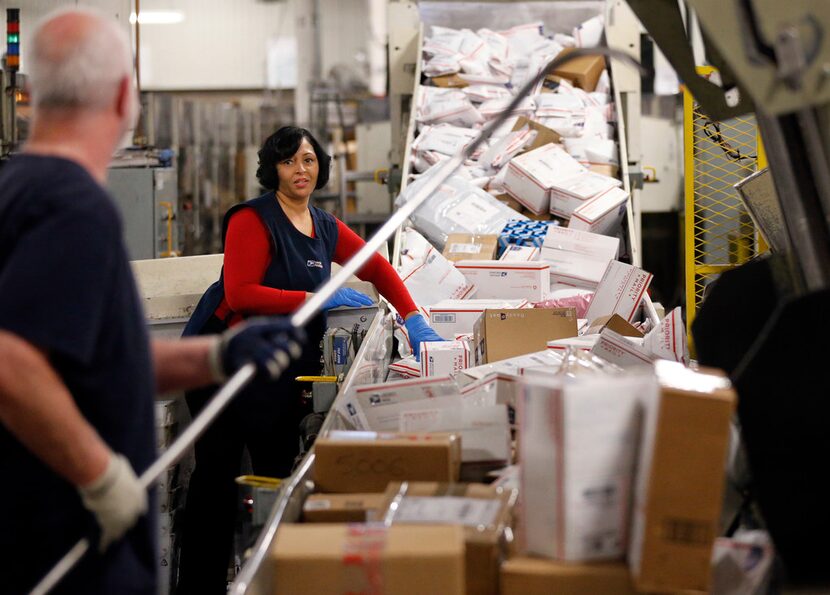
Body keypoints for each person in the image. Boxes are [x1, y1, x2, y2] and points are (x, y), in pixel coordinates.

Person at [0, 9, 304, 595]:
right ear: (123, 95)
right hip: (69, 540)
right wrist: (101, 477)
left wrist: (215, 357)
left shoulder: (20, 190)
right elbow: (11, 362)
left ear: (32, 94)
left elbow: (92, 359)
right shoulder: (72, 205)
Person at [177, 125, 443, 593]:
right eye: (288, 161)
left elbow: (376, 267)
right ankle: (200, 586)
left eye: (308, 160)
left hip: (275, 372)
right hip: (226, 367)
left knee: (278, 476)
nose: (300, 170)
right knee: (217, 480)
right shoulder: (252, 219)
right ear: (272, 169)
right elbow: (241, 294)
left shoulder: (322, 225)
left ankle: (273, 579)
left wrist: (413, 316)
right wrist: (312, 299)